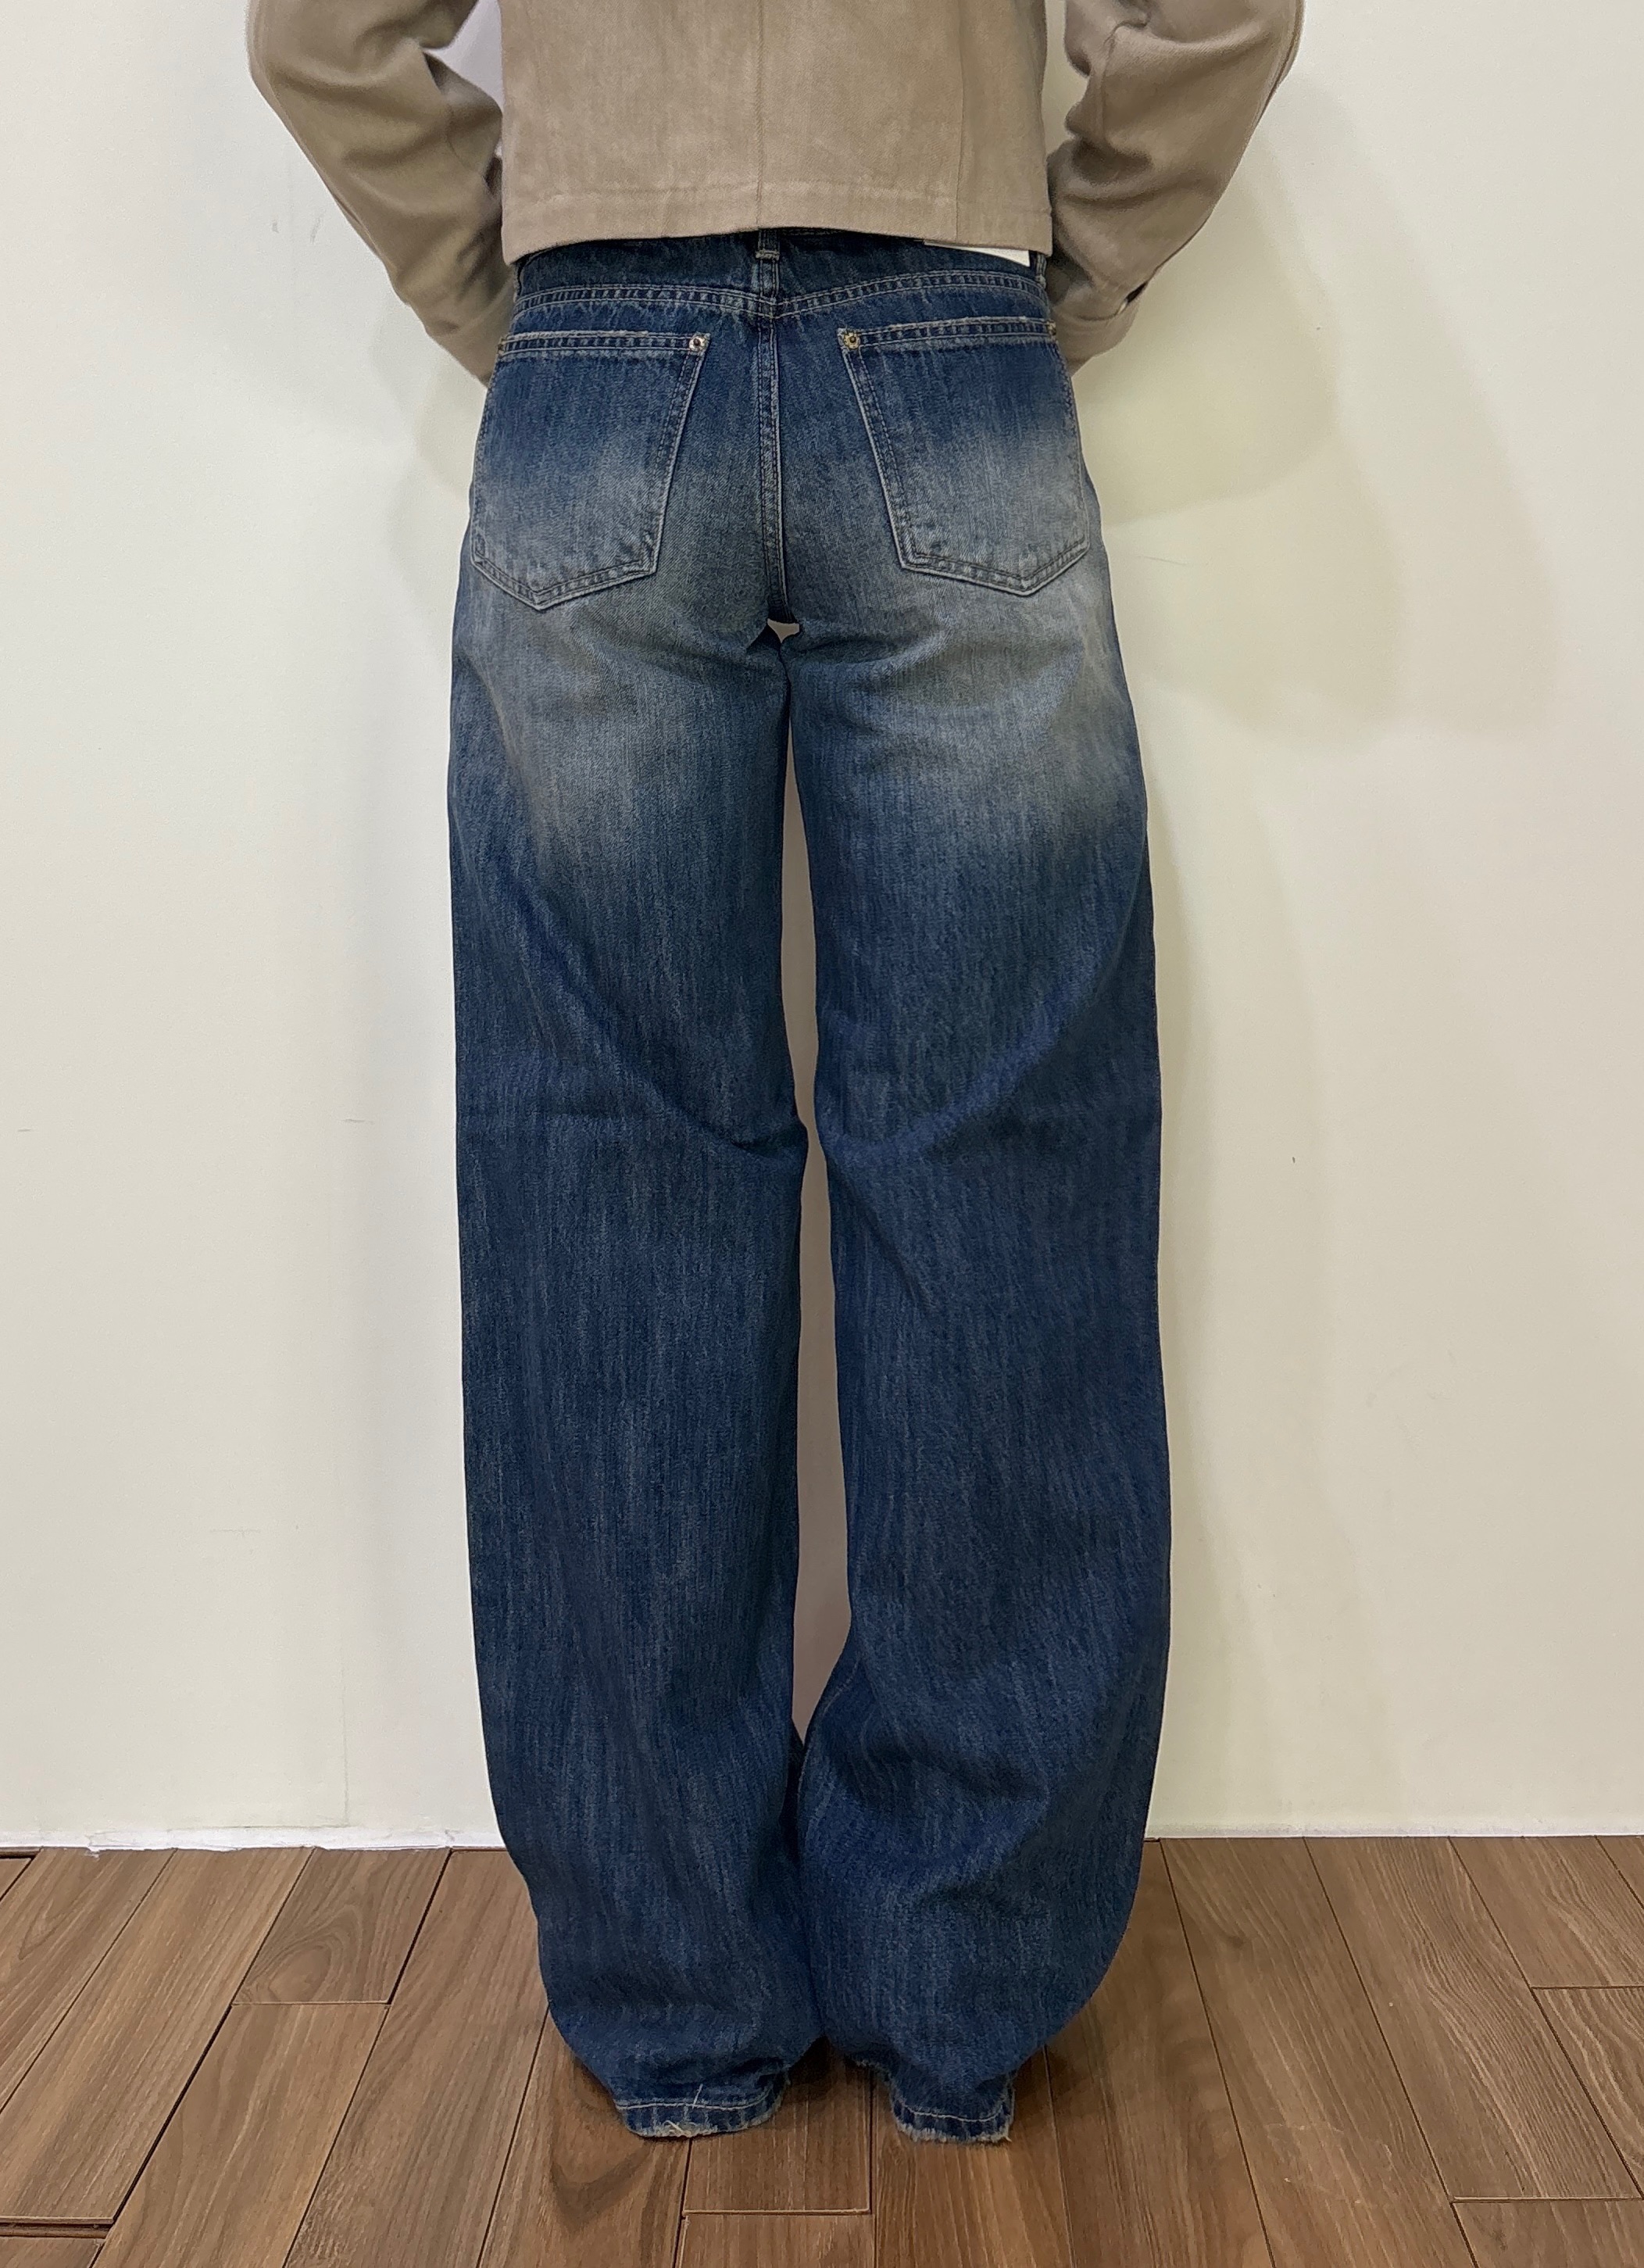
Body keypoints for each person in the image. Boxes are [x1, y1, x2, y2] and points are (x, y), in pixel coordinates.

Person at [246, 0, 1301, 2147]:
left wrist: (521, 302)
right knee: (1001, 1174)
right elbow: (1217, 14)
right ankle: (958, 1988)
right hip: (953, 345)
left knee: (603, 1187)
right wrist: (1072, 277)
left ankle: (676, 1998)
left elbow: (317, 33)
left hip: (598, 365)